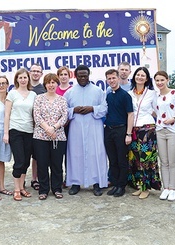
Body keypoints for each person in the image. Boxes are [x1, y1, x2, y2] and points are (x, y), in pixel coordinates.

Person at [64, 65, 108, 196]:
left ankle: (96, 183)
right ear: (75, 76)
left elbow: (105, 108)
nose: (83, 78)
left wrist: (92, 109)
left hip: (94, 127)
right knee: (75, 154)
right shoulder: (69, 92)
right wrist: (74, 110)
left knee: (95, 154)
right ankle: (76, 183)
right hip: (76, 128)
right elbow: (63, 110)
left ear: (89, 75)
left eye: (85, 75)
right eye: (80, 76)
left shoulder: (98, 91)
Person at [3, 68, 37, 201]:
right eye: (20, 77)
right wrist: (6, 133)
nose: (23, 80)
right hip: (15, 130)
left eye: (25, 77)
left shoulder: (33, 95)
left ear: (28, 79)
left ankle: (22, 188)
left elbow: (34, 115)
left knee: (26, 162)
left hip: (29, 131)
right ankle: (16, 189)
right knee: (19, 161)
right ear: (17, 79)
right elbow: (7, 114)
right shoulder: (12, 94)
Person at [33, 73, 68, 200]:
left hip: (58, 136)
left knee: (57, 164)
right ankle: (43, 190)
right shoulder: (39, 98)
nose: (51, 85)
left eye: (53, 82)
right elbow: (37, 115)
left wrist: (54, 128)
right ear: (45, 84)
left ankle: (57, 188)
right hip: (41, 136)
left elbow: (64, 116)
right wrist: (47, 128)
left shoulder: (62, 99)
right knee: (42, 164)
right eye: (48, 82)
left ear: (57, 84)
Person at [128, 66, 161, 199]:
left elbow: (157, 111)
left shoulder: (152, 94)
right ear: (134, 77)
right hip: (133, 129)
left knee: (146, 159)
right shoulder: (129, 93)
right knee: (135, 159)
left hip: (147, 128)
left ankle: (147, 187)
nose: (140, 77)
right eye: (138, 75)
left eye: (143, 75)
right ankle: (139, 185)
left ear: (147, 79)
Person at [153, 71, 175, 201]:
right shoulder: (155, 96)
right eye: (157, 80)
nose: (159, 83)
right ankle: (165, 188)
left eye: (162, 80)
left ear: (167, 80)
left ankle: (172, 188)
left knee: (173, 162)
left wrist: (173, 119)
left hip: (173, 131)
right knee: (164, 161)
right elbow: (155, 112)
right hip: (160, 130)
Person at [104, 69, 134, 197]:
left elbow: (130, 114)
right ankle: (115, 184)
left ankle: (122, 185)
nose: (111, 81)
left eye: (113, 78)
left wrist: (128, 134)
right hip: (109, 130)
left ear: (118, 79)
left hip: (121, 130)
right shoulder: (108, 95)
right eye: (109, 79)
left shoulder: (125, 95)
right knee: (112, 159)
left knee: (122, 159)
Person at [28, 63, 46, 191]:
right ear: (29, 72)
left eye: (37, 71)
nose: (35, 73)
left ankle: (35, 179)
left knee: (37, 156)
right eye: (33, 71)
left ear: (41, 74)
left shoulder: (43, 90)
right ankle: (22, 178)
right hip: (24, 127)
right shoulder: (24, 87)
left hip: (39, 128)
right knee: (23, 156)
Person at [56, 66, 72, 188]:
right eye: (61, 74)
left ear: (69, 76)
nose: (63, 77)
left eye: (65, 74)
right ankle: (58, 178)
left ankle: (69, 177)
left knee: (69, 153)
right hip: (56, 127)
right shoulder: (54, 90)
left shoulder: (73, 90)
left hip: (70, 126)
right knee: (57, 154)